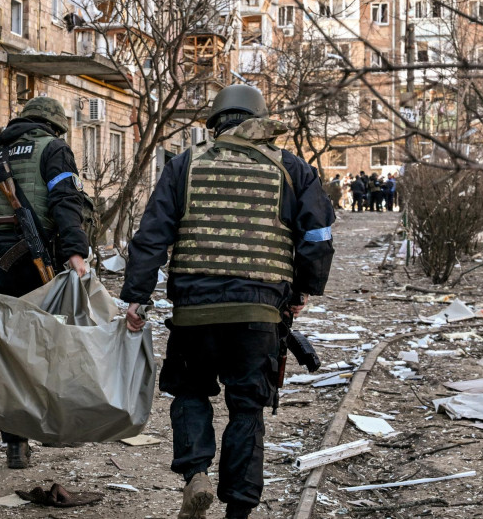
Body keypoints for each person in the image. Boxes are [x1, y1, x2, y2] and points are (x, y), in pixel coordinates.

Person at [119, 84, 334, 519]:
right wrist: (301, 290)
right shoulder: (292, 168)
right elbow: (316, 236)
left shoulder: (185, 164)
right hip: (258, 312)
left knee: (190, 393)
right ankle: (238, 509)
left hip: (193, 311)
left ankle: (196, 473)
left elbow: (151, 236)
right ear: (261, 121)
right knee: (247, 408)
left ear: (215, 123)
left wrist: (137, 297)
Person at [0, 96, 91, 469]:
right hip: (40, 265)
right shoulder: (54, 149)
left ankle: (15, 443)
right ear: (54, 125)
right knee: (51, 345)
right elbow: (66, 201)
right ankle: (51, 426)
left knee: (9, 353)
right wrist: (76, 252)